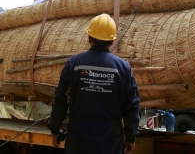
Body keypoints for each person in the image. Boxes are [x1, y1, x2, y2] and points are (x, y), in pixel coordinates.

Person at [48, 13, 140, 154]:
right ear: (112, 41)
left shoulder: (74, 64)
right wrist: (131, 136)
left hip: (79, 141)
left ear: (89, 38)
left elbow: (60, 99)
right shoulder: (123, 68)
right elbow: (132, 106)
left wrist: (55, 129)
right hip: (110, 143)